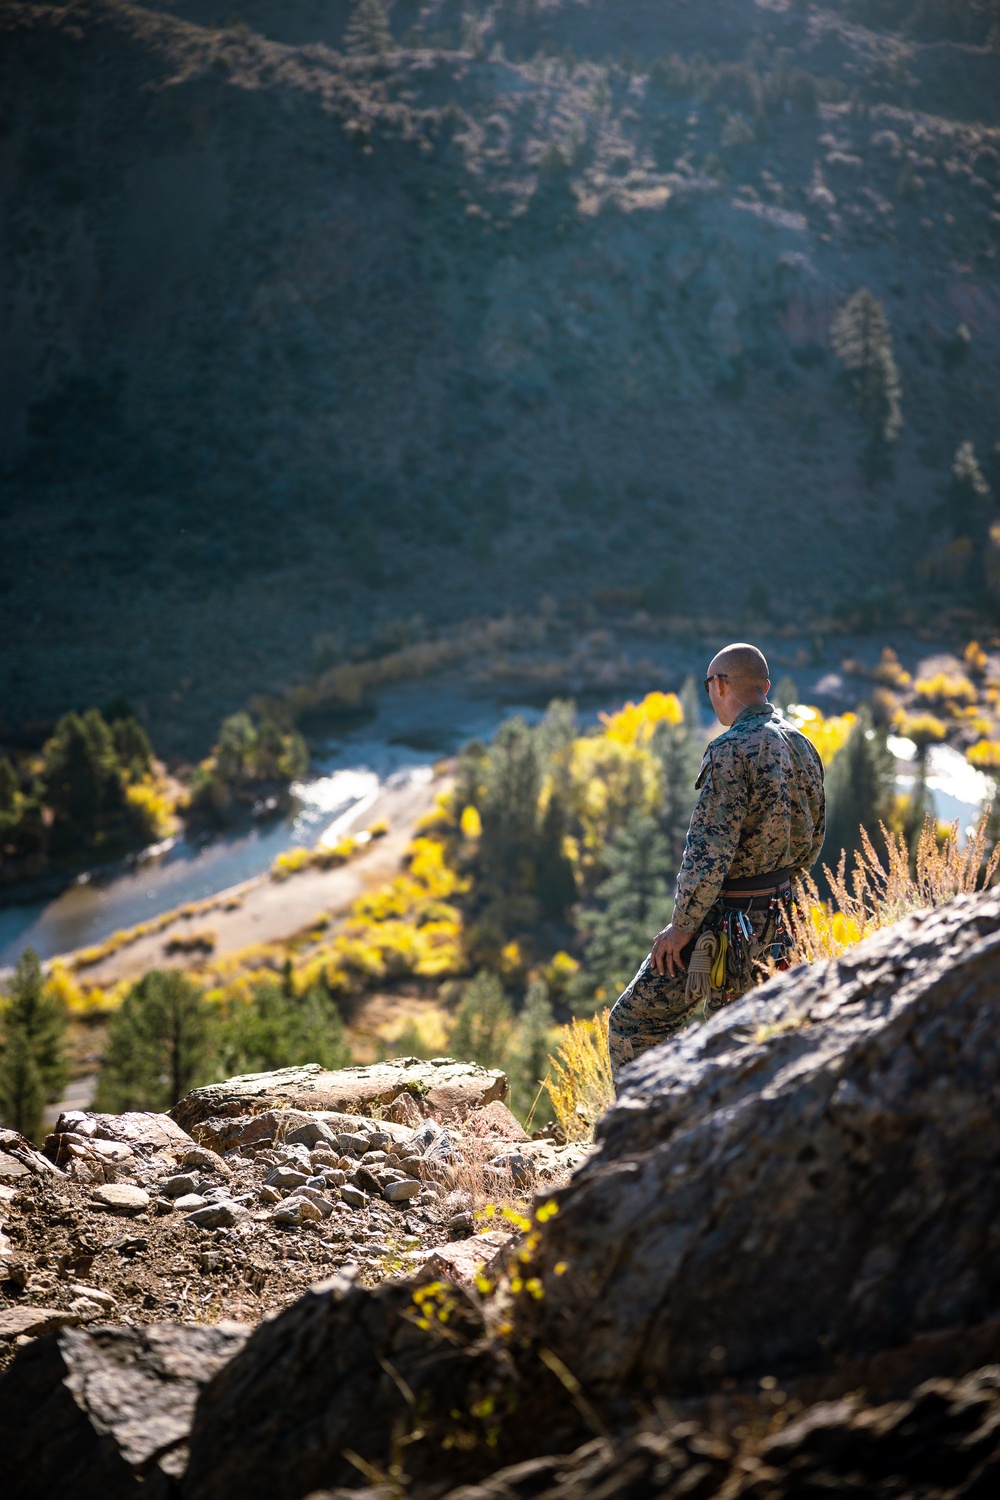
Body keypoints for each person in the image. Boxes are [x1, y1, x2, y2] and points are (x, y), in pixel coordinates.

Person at [607, 642, 825, 1087]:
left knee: (634, 1023)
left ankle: (648, 1137)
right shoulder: (803, 746)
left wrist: (683, 927)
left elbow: (709, 851)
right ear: (765, 688)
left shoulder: (730, 750)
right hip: (783, 922)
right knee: (752, 1043)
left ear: (721, 684)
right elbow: (812, 841)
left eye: (710, 685)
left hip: (724, 927)